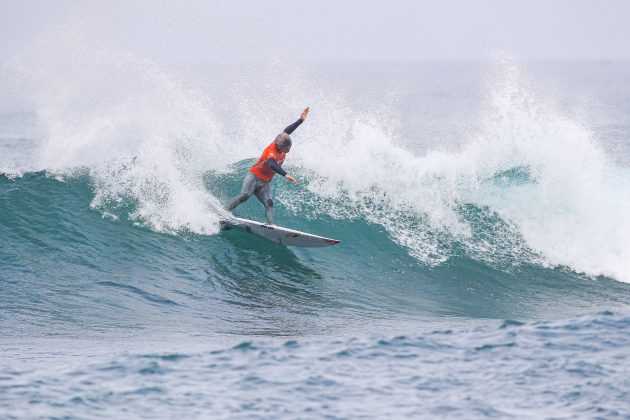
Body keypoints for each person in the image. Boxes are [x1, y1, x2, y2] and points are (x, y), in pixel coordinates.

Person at [225, 107, 309, 225]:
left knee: (269, 203)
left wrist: (300, 120)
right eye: (286, 149)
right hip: (254, 177)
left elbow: (287, 131)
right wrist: (286, 175)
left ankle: (271, 226)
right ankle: (223, 212)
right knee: (244, 196)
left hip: (265, 182)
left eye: (289, 147)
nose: (288, 150)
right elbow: (272, 164)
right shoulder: (271, 151)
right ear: (279, 146)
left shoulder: (281, 139)